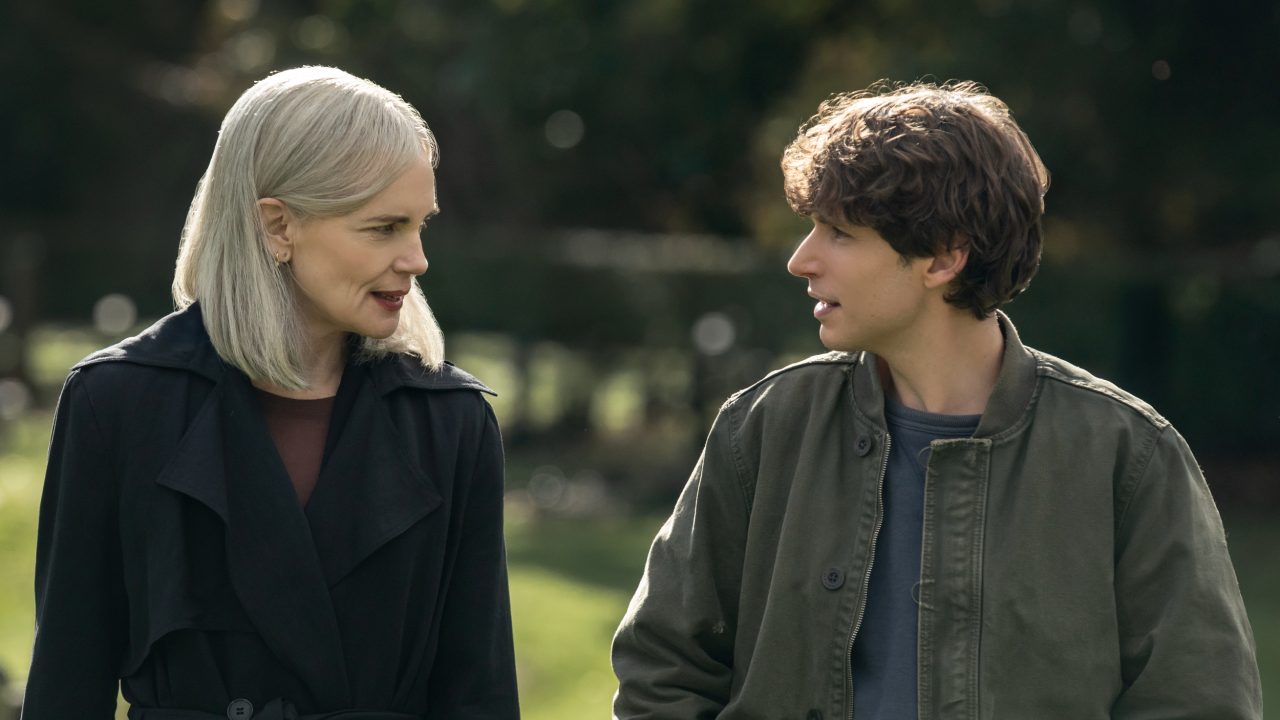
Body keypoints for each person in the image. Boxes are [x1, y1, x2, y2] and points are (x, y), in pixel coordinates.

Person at [612, 81, 1261, 719]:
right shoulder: (762, 428)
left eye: (837, 232)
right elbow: (662, 672)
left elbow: (1198, 700)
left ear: (943, 258)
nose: (801, 260)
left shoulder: (1128, 456)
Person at [23, 67, 519, 719]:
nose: (418, 259)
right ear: (277, 227)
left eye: (420, 224)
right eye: (384, 227)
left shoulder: (452, 423)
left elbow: (479, 695)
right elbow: (67, 681)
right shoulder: (116, 404)